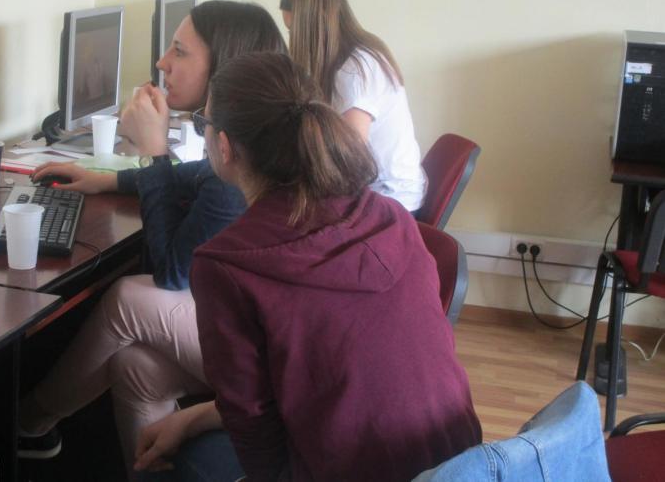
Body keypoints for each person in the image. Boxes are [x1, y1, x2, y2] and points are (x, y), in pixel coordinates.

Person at [134, 52, 481, 482]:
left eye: (203, 122)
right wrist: (191, 419)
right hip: (460, 467)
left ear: (223, 146)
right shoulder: (389, 215)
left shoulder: (225, 267)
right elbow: (317, 388)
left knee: (159, 470)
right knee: (139, 370)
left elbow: (256, 434)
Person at [17, 1, 288, 469]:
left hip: (271, 362)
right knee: (135, 367)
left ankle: (27, 421)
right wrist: (106, 179)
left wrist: (155, 150)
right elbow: (193, 177)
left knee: (129, 297)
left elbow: (170, 273)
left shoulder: (238, 169)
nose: (162, 63)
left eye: (179, 51)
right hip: (259, 332)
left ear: (221, 70)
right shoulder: (250, 140)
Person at [280, 0, 426, 211]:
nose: (292, 41)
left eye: (292, 31)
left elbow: (350, 159)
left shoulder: (354, 70)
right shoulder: (361, 53)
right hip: (391, 190)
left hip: (390, 200)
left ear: (311, 29)